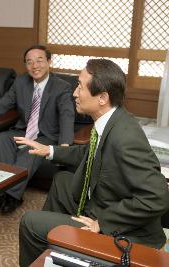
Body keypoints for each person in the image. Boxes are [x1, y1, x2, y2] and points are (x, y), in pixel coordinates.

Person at [15, 59, 169, 266]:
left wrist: (102, 222)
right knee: (62, 181)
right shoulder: (110, 120)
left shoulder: (125, 138)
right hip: (104, 200)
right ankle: (59, 250)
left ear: (102, 98)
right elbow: (89, 153)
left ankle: (53, 241)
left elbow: (157, 197)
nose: (74, 93)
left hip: (131, 231)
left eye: (80, 86)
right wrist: (48, 150)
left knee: (30, 222)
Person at [0, 45, 75, 213]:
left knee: (30, 151)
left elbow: (67, 116)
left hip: (46, 135)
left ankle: (11, 196)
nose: (35, 66)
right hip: (23, 131)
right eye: (29, 62)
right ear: (25, 65)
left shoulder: (62, 87)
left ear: (49, 62)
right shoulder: (21, 83)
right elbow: (2, 105)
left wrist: (65, 147)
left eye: (39, 60)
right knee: (2, 139)